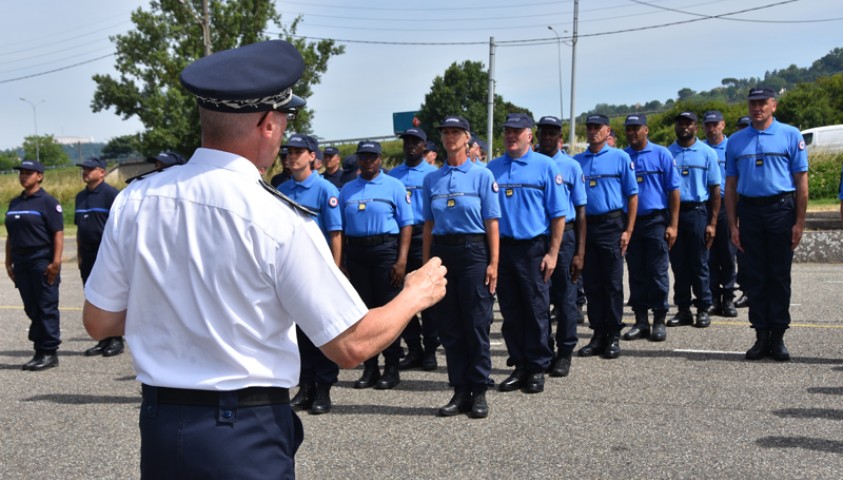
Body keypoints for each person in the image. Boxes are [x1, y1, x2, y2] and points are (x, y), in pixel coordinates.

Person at [81, 40, 446, 478]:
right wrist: (414, 294)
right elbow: (351, 345)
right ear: (268, 124)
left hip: (162, 427)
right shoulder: (277, 219)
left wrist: (176, 310)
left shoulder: (136, 199)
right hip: (243, 433)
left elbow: (98, 322)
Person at [422, 115, 500, 418]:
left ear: (468, 138)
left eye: (456, 132)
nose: (450, 137)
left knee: (476, 323)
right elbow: (429, 224)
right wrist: (428, 263)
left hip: (473, 251)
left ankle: (479, 389)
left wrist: (494, 262)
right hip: (443, 251)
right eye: (445, 132)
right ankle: (459, 389)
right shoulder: (432, 179)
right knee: (450, 326)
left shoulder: (482, 176)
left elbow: (492, 222)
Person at [725, 86, 808, 361]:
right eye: (752, 103)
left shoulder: (790, 135)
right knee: (755, 277)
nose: (756, 108)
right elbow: (731, 184)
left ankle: (779, 335)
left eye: (762, 103)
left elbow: (801, 183)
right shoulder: (736, 141)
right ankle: (761, 334)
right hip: (749, 212)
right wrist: (733, 225)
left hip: (780, 210)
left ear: (774, 105)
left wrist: (799, 222)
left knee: (779, 276)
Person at [487, 113, 567, 394]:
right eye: (508, 131)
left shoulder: (545, 167)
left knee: (535, 310)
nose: (511, 135)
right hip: (503, 249)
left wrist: (553, 253)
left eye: (518, 131)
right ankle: (519, 364)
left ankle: (536, 367)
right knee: (510, 311)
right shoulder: (492, 168)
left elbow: (559, 215)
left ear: (529, 136)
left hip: (533, 249)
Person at [339, 140, 414, 390]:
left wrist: (401, 260)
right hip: (357, 253)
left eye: (372, 157)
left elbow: (406, 224)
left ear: (380, 159)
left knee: (386, 310)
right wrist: (343, 261)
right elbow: (340, 229)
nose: (367, 161)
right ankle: (370, 368)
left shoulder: (394, 185)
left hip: (385, 251)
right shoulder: (347, 189)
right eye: (363, 157)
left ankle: (392, 367)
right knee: (363, 312)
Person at [278, 134, 344, 414]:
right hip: (292, 269)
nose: (292, 156)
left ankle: (323, 389)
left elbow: (336, 234)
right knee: (299, 333)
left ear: (312, 157)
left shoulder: (325, 190)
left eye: (299, 152)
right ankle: (305, 387)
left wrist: (336, 271)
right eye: (289, 152)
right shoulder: (282, 189)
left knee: (322, 330)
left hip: (319, 268)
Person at [574, 114, 638, 359]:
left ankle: (613, 333)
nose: (593, 131)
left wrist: (628, 230)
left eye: (597, 128)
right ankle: (597, 332)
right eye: (589, 128)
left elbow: (632, 195)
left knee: (611, 283)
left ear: (607, 130)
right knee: (591, 283)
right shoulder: (578, 161)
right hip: (586, 225)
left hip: (611, 223)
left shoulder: (620, 157)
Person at [621, 114, 680, 342]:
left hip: (656, 220)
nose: (632, 132)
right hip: (631, 222)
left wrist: (673, 225)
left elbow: (674, 191)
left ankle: (658, 319)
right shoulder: (623, 157)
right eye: (629, 129)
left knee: (657, 272)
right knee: (636, 273)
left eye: (636, 128)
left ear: (646, 130)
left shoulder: (661, 154)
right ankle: (640, 320)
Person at [535, 115, 586, 377]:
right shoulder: (531, 163)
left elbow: (580, 210)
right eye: (543, 133)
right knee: (539, 300)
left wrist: (579, 252)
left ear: (560, 138)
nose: (547, 137)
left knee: (566, 299)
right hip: (537, 238)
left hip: (565, 236)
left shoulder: (571, 166)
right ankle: (545, 349)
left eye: (552, 133)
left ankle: (565, 353)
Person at [388, 128, 440, 371]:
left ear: (424, 146)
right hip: (401, 237)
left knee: (426, 295)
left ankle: (430, 349)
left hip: (425, 235)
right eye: (407, 142)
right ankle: (413, 347)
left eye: (415, 142)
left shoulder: (433, 174)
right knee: (401, 294)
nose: (410, 146)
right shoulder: (393, 175)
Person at [5, 160, 64, 372]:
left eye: (28, 173)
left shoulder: (47, 202)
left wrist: (56, 262)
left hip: (41, 258)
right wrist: (8, 261)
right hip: (21, 261)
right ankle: (39, 349)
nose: (23, 177)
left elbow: (58, 233)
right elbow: (11, 236)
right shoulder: (15, 203)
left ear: (39, 176)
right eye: (21, 173)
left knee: (46, 306)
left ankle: (49, 352)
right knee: (31, 306)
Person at [666, 112, 721, 329]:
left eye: (688, 123)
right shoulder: (668, 153)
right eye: (680, 123)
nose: (684, 127)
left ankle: (703, 308)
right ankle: (683, 309)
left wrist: (713, 223)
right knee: (679, 264)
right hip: (674, 214)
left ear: (696, 127)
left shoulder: (707, 153)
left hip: (697, 211)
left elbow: (715, 189)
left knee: (699, 262)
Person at [75, 156, 123, 357]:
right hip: (86, 253)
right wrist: (78, 254)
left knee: (109, 295)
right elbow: (79, 228)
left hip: (105, 253)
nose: (85, 172)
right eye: (84, 169)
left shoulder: (111, 194)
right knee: (93, 295)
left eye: (90, 169)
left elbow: (120, 226)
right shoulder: (81, 197)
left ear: (102, 172)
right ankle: (103, 340)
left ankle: (115, 339)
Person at [703, 110, 738, 318]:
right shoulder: (700, 148)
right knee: (709, 255)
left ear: (723, 125)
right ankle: (713, 297)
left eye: (715, 124)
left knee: (727, 253)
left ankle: (728, 298)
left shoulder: (731, 146)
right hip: (705, 204)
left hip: (727, 204)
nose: (712, 128)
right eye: (708, 124)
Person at [733, 115, 752, 309]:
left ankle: (754, 291)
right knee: (742, 254)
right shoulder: (737, 149)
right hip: (738, 205)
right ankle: (746, 290)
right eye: (741, 127)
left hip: (751, 205)